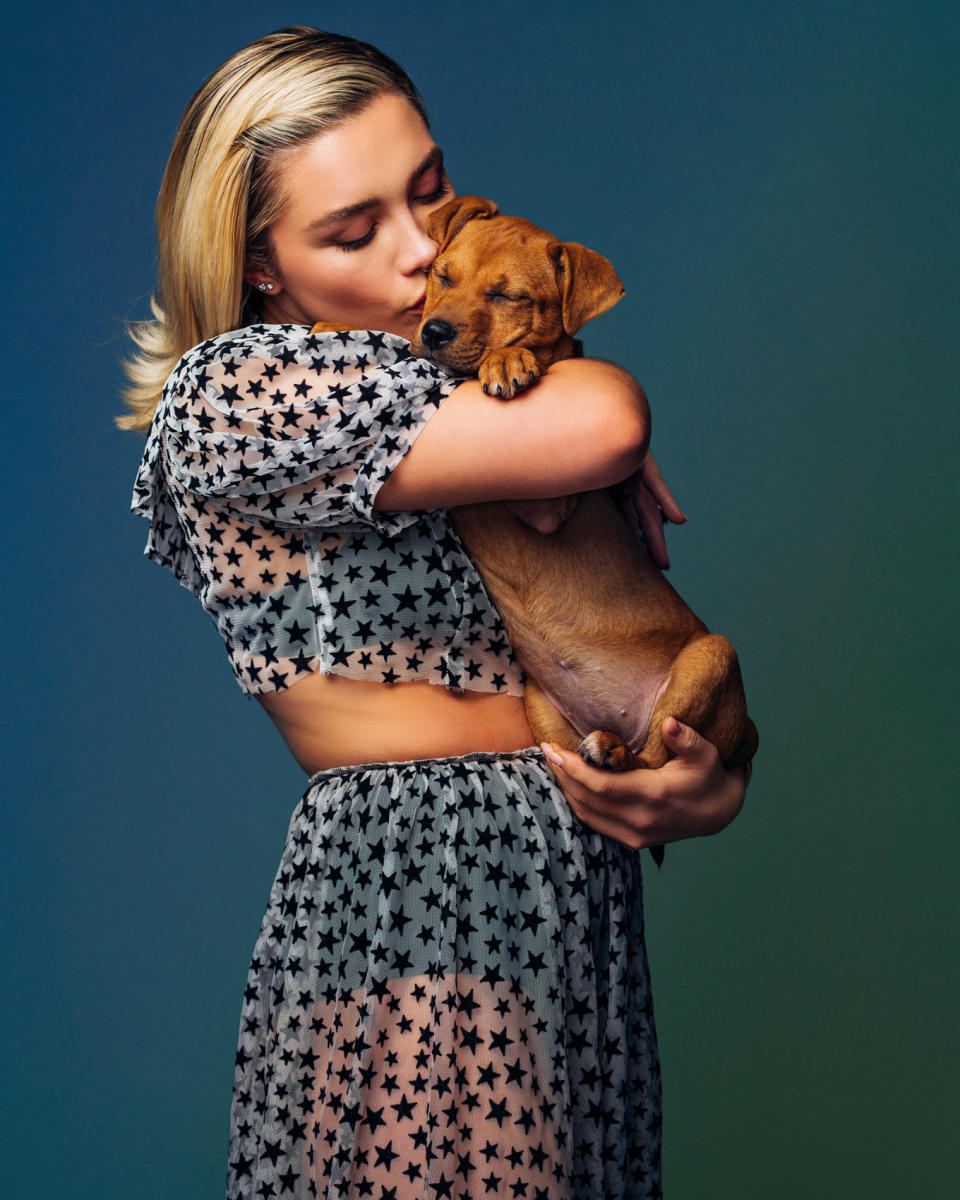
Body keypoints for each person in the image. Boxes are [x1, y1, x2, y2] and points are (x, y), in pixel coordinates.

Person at [120, 26, 749, 1200]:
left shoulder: (444, 373)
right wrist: (589, 404)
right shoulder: (241, 392)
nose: (422, 253)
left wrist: (699, 787)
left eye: (430, 192)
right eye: (356, 229)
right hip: (422, 872)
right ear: (259, 266)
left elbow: (599, 632)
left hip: (564, 869)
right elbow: (605, 416)